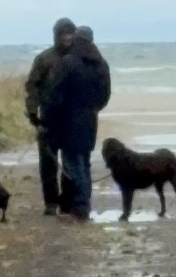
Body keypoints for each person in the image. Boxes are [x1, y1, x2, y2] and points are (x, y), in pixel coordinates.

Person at [40, 25, 111, 221]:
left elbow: (55, 95)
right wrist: (92, 109)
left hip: (68, 120)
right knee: (84, 164)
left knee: (73, 165)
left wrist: (46, 120)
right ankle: (83, 204)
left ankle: (81, 205)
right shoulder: (101, 64)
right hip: (89, 120)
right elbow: (105, 97)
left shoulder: (68, 63)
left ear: (78, 41)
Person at [24, 17, 75, 214]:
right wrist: (31, 111)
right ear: (57, 35)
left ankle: (67, 202)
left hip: (72, 119)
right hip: (48, 117)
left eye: (70, 33)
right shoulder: (45, 58)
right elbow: (32, 86)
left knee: (70, 162)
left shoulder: (79, 58)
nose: (67, 37)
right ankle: (51, 203)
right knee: (48, 163)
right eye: (63, 33)